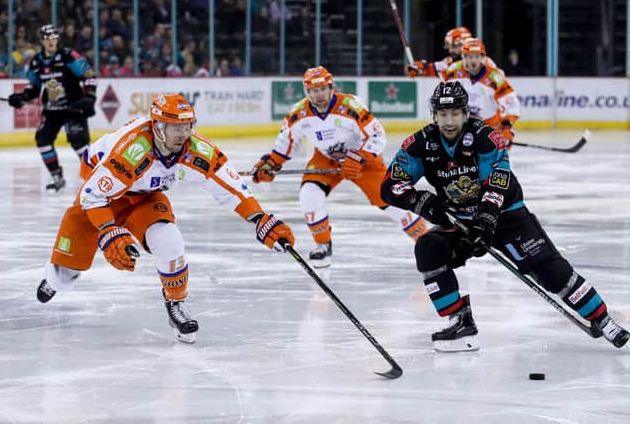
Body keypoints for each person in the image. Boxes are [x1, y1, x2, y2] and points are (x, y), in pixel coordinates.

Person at [380, 81, 629, 352]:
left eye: (455, 114)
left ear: (466, 113)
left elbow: (497, 183)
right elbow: (390, 186)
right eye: (443, 114)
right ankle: (460, 320)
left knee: (551, 272)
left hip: (506, 217)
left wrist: (485, 222)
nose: (449, 121)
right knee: (428, 248)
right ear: (434, 116)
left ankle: (602, 319)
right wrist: (426, 204)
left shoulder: (485, 138)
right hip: (461, 223)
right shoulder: (420, 144)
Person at [36, 93, 295, 344]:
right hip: (103, 196)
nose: (183, 134)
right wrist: (109, 230)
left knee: (169, 241)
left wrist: (260, 218)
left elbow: (229, 186)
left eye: (187, 126)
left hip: (145, 196)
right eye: (175, 127)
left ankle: (176, 304)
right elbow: (93, 196)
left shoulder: (196, 149)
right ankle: (54, 280)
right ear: (158, 127)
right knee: (65, 274)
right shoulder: (132, 149)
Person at [252, 66, 428, 268]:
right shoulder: (298, 114)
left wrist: (359, 157)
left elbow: (377, 135)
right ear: (307, 92)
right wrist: (272, 163)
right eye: (313, 90)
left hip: (364, 161)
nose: (318, 95)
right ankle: (322, 245)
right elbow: (288, 141)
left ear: (331, 87)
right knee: (308, 195)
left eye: (322, 89)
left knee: (393, 201)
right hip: (326, 159)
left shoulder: (350, 106)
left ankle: (425, 240)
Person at [7, 24, 97, 192]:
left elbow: (89, 74)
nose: (51, 41)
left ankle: (97, 176)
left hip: (73, 108)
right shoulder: (36, 62)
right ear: (41, 40)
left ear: (58, 39)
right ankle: (56, 176)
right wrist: (21, 97)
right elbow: (33, 87)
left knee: (79, 144)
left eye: (54, 38)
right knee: (42, 140)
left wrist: (90, 96)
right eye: (47, 38)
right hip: (52, 110)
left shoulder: (68, 56)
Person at [442, 37, 520, 147]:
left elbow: (511, 104)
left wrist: (507, 128)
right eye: (469, 56)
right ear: (463, 56)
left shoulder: (495, 77)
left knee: (495, 162)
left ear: (483, 57)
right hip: (463, 126)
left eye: (477, 56)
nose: (473, 61)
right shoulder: (453, 72)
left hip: (491, 125)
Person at [405, 26, 499, 79]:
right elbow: (429, 69)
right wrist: (418, 68)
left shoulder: (485, 63)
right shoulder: (449, 63)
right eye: (449, 47)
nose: (451, 51)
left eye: (454, 46)